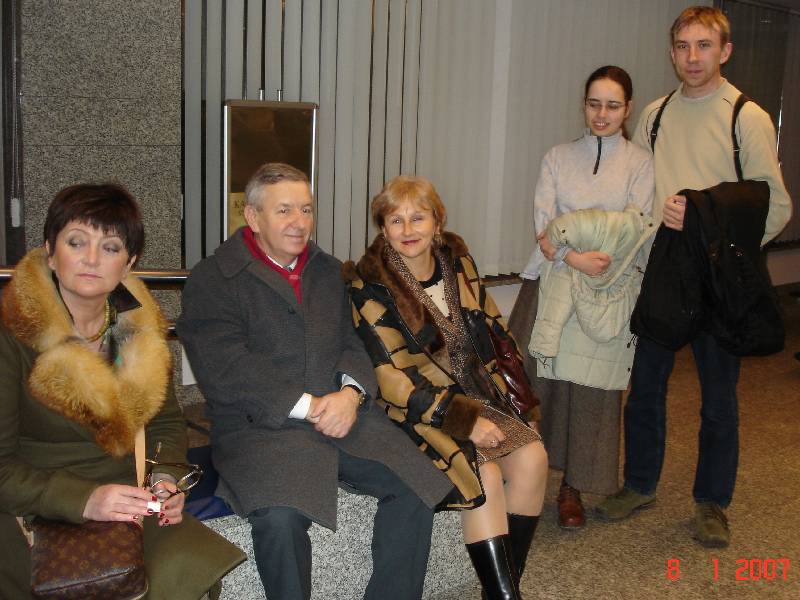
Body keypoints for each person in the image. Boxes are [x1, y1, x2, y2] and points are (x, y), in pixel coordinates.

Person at [177, 163, 451, 600]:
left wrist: (350, 394)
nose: (299, 222)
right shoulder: (214, 279)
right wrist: (309, 405)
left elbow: (351, 342)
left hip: (342, 415)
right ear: (253, 217)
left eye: (306, 209)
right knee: (280, 518)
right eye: (284, 210)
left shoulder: (327, 271)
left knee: (415, 485)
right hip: (261, 429)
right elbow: (227, 367)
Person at [596, 6, 792, 548]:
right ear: (672, 52)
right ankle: (639, 484)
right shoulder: (656, 113)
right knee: (645, 389)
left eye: (704, 45)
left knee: (718, 397)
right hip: (665, 270)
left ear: (725, 51)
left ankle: (712, 503)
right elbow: (640, 190)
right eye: (683, 46)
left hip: (718, 275)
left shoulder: (746, 116)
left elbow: (775, 206)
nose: (693, 57)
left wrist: (713, 234)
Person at [0, 183, 245, 599]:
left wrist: (165, 479)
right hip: (36, 507)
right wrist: (85, 499)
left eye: (110, 247)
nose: (92, 258)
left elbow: (165, 422)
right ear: (50, 252)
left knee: (189, 569)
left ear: (128, 262)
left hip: (128, 500)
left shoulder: (137, 329)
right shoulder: (12, 334)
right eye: (77, 242)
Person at [346, 175, 548, 600]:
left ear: (437, 223)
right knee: (484, 472)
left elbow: (497, 334)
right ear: (383, 229)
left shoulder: (458, 265)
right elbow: (393, 380)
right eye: (395, 220)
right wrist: (464, 421)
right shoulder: (370, 287)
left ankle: (503, 590)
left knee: (533, 457)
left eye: (418, 218)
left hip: (478, 395)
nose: (408, 230)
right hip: (418, 410)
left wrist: (519, 406)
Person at [507, 66, 654, 529]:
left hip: (605, 288)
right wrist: (575, 256)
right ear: (584, 105)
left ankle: (572, 487)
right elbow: (545, 228)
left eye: (612, 105)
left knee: (589, 393)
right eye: (594, 104)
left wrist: (582, 243)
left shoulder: (640, 164)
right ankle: (520, 475)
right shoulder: (557, 157)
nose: (601, 114)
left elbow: (634, 228)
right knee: (532, 384)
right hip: (552, 280)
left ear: (628, 109)